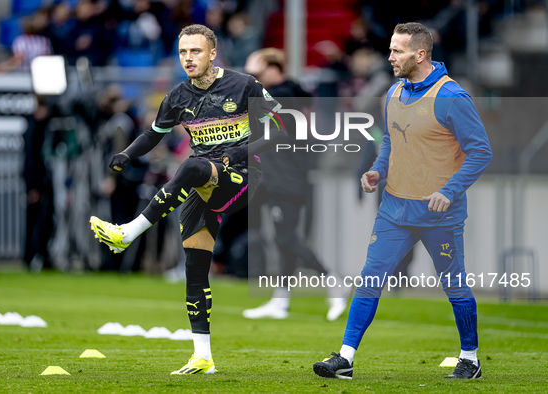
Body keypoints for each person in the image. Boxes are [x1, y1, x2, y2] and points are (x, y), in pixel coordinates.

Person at [90, 24, 283, 375]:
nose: (188, 58)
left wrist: (240, 153)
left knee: (192, 166)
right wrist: (127, 154)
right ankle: (202, 356)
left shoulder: (244, 85)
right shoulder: (178, 96)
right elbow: (154, 133)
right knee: (195, 271)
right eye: (182, 52)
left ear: (213, 53)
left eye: (195, 51)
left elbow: (280, 126)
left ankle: (129, 232)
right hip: (203, 181)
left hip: (244, 176)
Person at [313, 22, 492, 380]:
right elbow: (391, 144)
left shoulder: (451, 97)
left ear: (420, 55)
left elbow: (480, 152)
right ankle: (345, 358)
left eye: (398, 51)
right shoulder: (394, 92)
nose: (390, 56)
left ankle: (469, 359)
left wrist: (449, 191)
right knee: (369, 280)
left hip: (439, 213)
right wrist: (378, 171)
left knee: (454, 286)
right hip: (394, 208)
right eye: (391, 49)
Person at [241, 48, 349, 321]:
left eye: (257, 72)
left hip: (286, 178)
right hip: (273, 176)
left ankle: (332, 278)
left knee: (286, 238)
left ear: (273, 68)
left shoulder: (284, 95)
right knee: (282, 238)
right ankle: (280, 300)